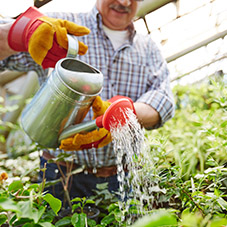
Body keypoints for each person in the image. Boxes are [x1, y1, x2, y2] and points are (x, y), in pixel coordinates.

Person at [0, 0, 175, 206]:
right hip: (60, 174)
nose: (124, 2)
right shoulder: (61, 27)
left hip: (120, 177)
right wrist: (23, 32)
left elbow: (164, 100)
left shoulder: (148, 48)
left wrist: (125, 112)